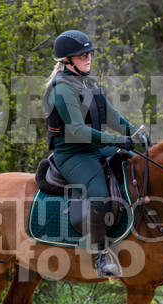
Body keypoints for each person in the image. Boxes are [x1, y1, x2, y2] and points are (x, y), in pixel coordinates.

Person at [42, 30, 148, 277]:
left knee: (138, 168)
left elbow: (111, 116)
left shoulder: (88, 81)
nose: (88, 58)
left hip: (96, 147)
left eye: (88, 53)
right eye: (81, 55)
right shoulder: (62, 89)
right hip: (73, 154)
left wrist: (136, 134)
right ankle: (100, 255)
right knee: (100, 197)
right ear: (67, 60)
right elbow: (78, 131)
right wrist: (121, 140)